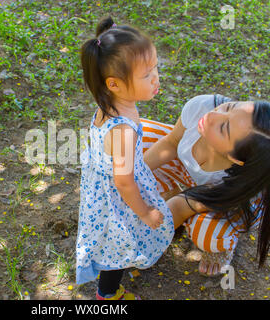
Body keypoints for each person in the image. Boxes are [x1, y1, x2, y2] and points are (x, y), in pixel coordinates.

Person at [142, 94, 270, 276]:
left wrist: (148, 241)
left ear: (234, 158)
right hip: (195, 176)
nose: (212, 115)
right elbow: (171, 143)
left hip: (229, 201)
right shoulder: (203, 106)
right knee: (134, 139)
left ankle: (222, 249)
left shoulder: (234, 184)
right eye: (230, 107)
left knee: (207, 233)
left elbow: (180, 207)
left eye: (223, 128)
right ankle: (168, 191)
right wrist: (131, 175)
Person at [76, 16, 174, 300]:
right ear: (115, 84)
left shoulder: (110, 103)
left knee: (115, 240)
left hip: (105, 185)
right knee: (115, 244)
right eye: (146, 74)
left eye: (156, 67)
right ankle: (107, 294)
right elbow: (123, 181)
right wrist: (145, 212)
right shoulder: (122, 131)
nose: (156, 77)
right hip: (116, 196)